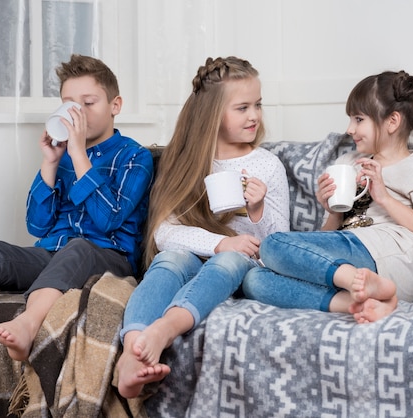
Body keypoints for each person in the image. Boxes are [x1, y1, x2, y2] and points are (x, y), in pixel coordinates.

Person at [0, 54, 154, 370]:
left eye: (88, 103)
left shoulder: (135, 157)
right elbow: (37, 225)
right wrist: (50, 163)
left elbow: (109, 220)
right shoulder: (60, 157)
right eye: (68, 103)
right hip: (53, 255)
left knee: (78, 248)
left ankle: (27, 324)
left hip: (108, 257)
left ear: (114, 105)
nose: (77, 113)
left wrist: (78, 155)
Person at [115, 56, 290, 398]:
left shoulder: (268, 166)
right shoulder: (188, 161)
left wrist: (256, 211)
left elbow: (278, 247)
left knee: (230, 260)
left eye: (258, 104)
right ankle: (130, 355)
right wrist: (220, 243)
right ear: (212, 113)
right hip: (200, 255)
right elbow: (164, 233)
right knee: (171, 260)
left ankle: (165, 329)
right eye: (242, 107)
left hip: (242, 266)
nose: (254, 115)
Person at [242, 70, 413, 324]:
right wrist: (333, 210)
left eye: (358, 119)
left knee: (271, 245)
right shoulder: (348, 163)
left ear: (392, 121)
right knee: (254, 280)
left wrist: (385, 198)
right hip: (354, 260)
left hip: (390, 258)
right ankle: (365, 302)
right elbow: (317, 252)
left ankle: (359, 281)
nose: (349, 129)